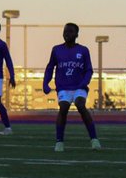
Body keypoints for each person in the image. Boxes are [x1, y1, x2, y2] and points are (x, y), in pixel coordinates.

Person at [42, 22, 101, 152]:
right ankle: (59, 142)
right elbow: (50, 67)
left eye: (70, 31)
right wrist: (45, 83)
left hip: (79, 86)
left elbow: (89, 70)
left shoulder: (83, 50)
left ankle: (94, 140)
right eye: (65, 31)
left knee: (80, 105)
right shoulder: (56, 49)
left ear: (76, 34)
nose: (67, 34)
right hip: (63, 87)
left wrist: (84, 82)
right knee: (63, 108)